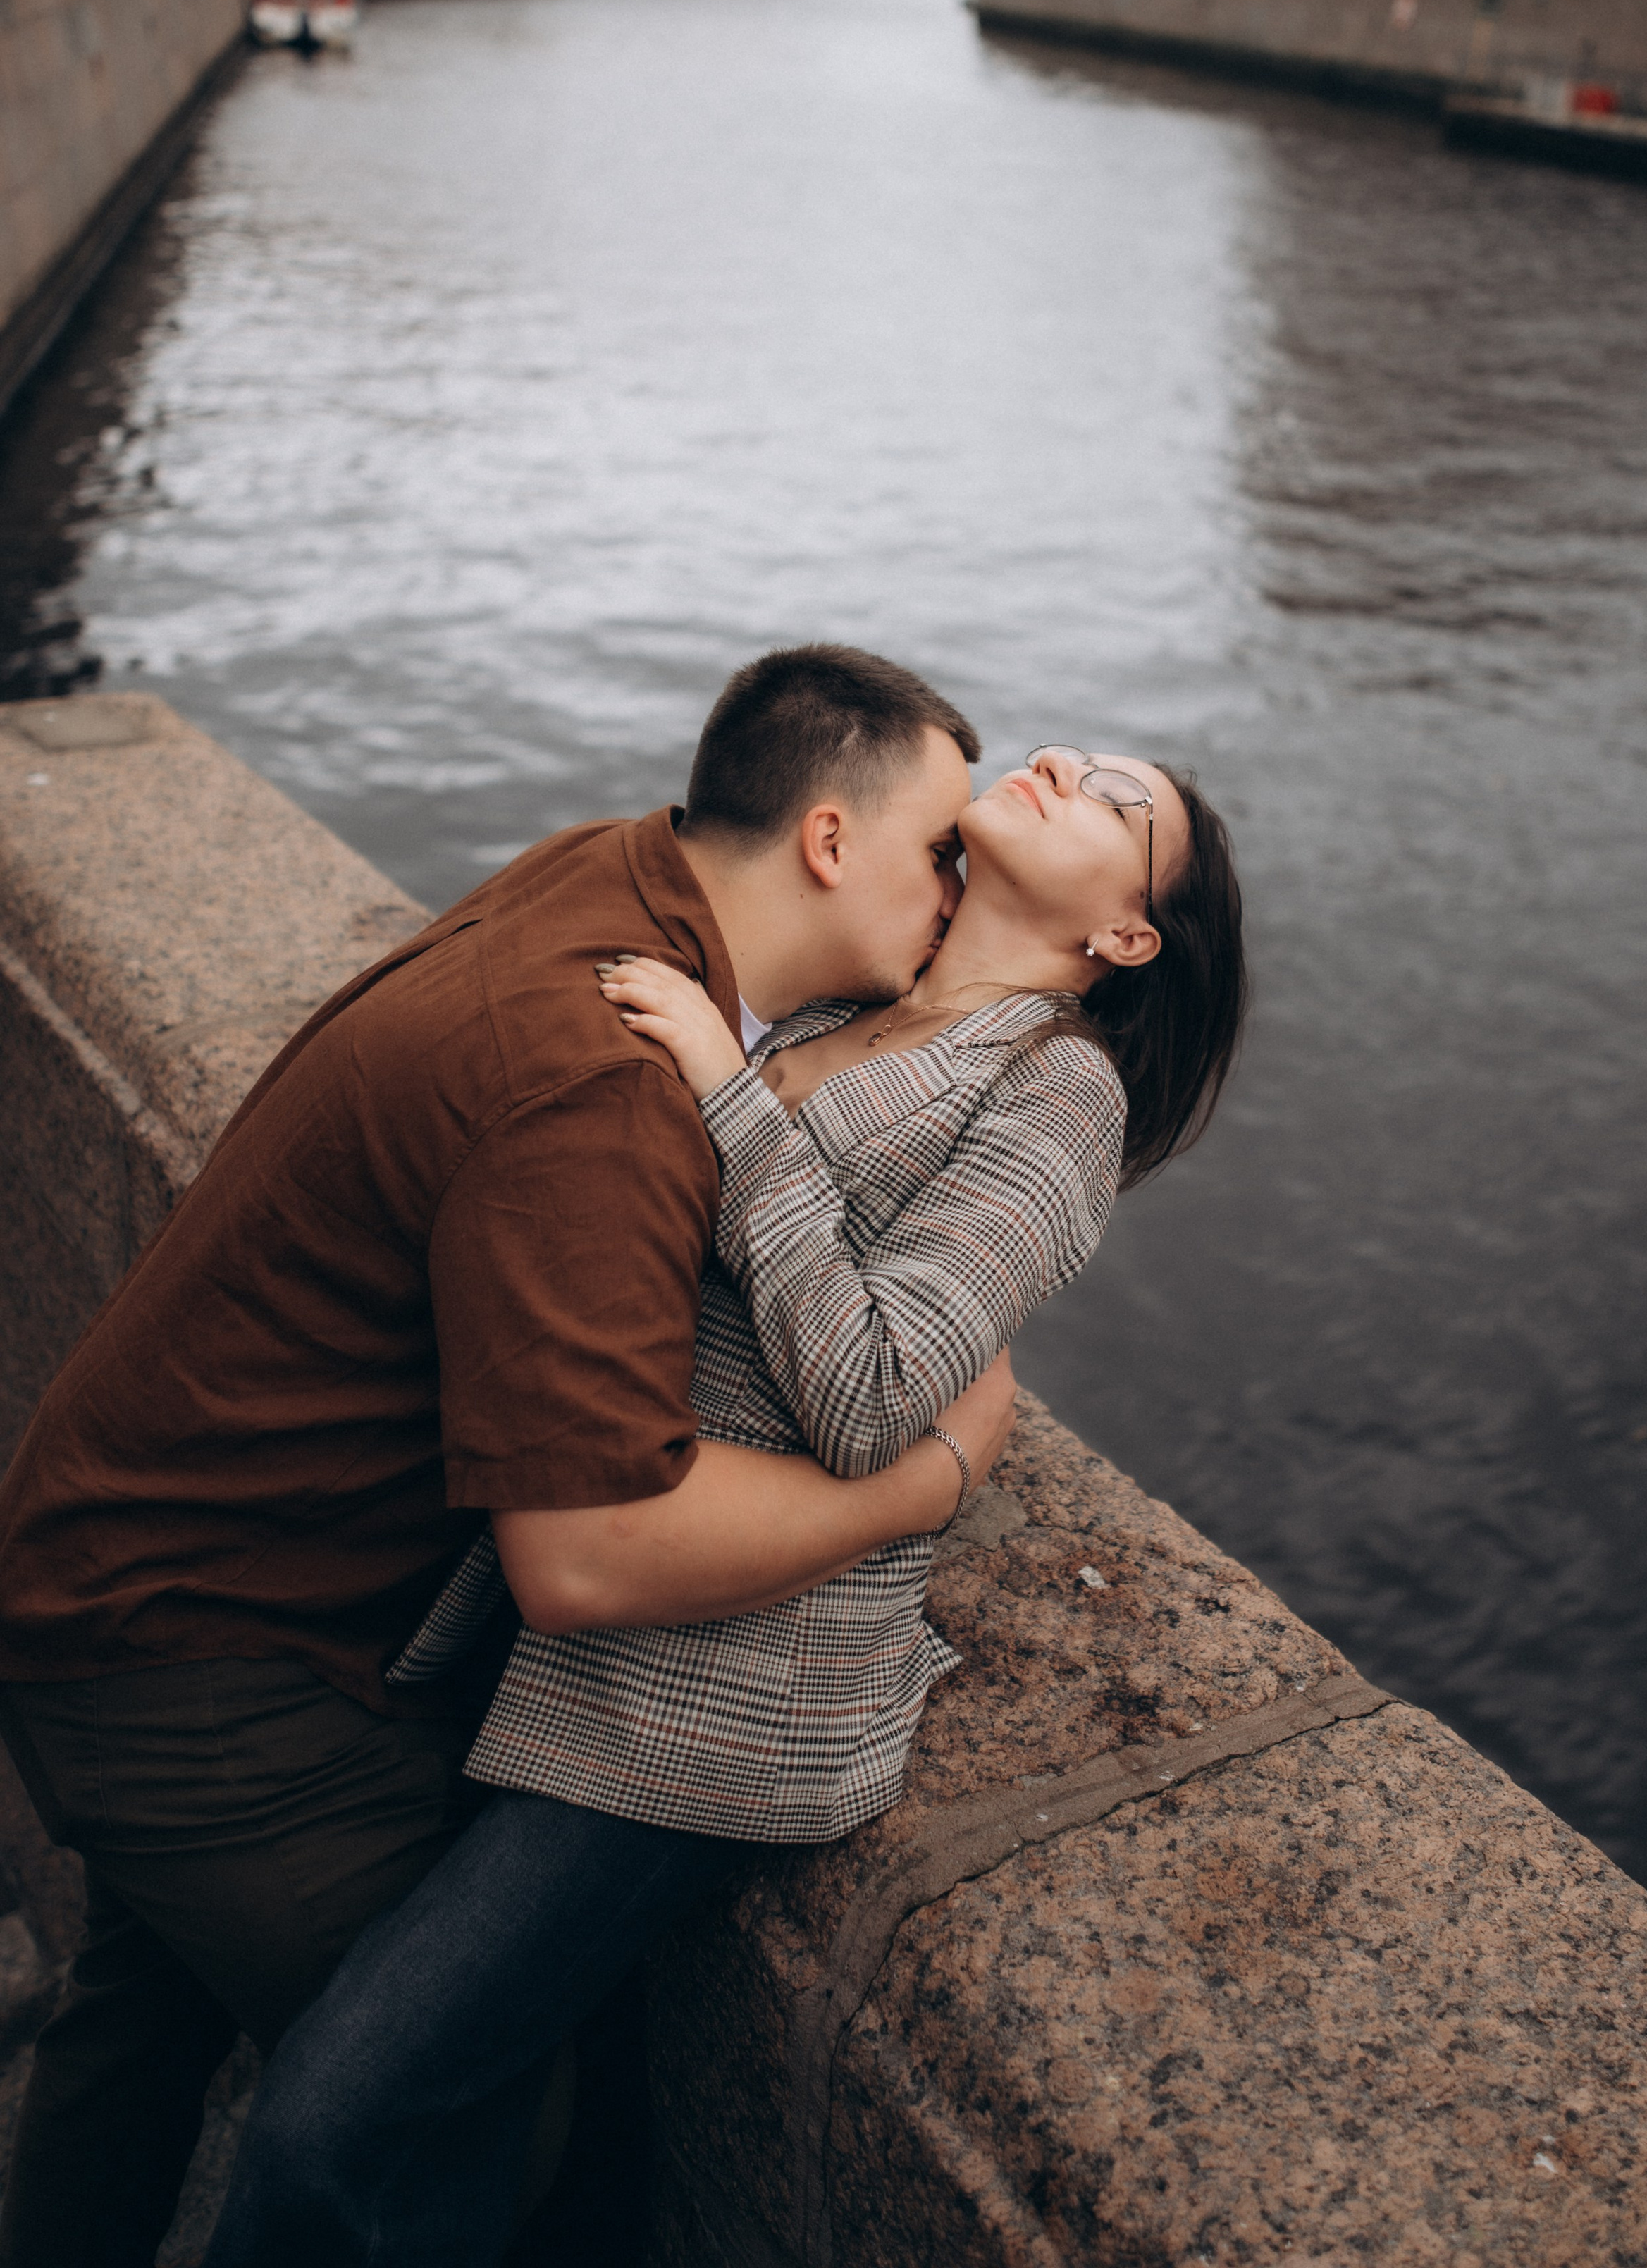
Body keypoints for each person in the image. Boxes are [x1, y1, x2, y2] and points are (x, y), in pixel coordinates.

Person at [0, 644, 1025, 2268]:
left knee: (141, 2019)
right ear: (828, 839)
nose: (959, 889)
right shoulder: (593, 1084)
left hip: (106, 1557)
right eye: (941, 848)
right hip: (204, 1672)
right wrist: (932, 1474)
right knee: (466, 2132)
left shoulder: (608, 875)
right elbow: (588, 1550)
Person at [201, 737, 1248, 2267]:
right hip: (561, 1596)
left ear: (1126, 938)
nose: (1059, 767)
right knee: (509, 2125)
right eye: (1069, 751)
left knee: (328, 2115)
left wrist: (719, 1083)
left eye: (1115, 798)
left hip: (713, 1706)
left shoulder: (1056, 1092)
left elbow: (876, 1393)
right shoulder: (847, 1001)